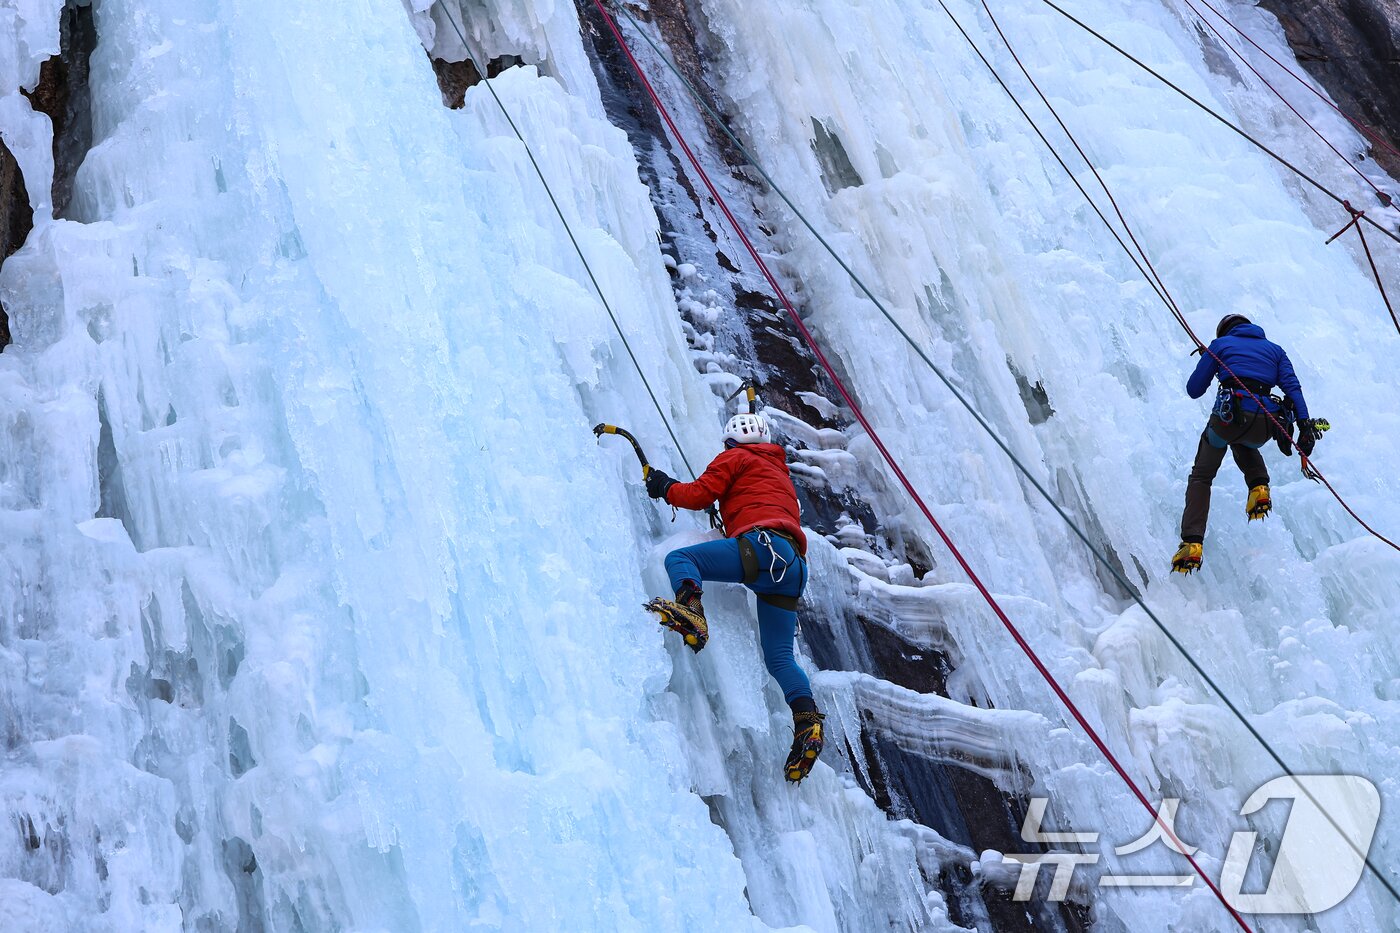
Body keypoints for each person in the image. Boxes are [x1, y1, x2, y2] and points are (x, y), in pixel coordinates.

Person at [642, 412, 824, 783]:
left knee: (680, 558)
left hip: (761, 550)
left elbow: (696, 495)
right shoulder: (779, 472)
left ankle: (691, 609)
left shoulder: (735, 458)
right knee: (779, 659)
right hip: (792, 568)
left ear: (730, 443)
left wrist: (663, 485)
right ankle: (808, 722)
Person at [1172, 314, 1322, 573]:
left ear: (1226, 332)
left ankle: (1192, 544)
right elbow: (1293, 389)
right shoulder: (1275, 351)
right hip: (1265, 425)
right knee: (1242, 441)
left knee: (1202, 476)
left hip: (1229, 419)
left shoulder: (1220, 346)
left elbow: (1194, 389)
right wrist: (1304, 424)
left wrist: (1211, 360)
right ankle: (1259, 486)